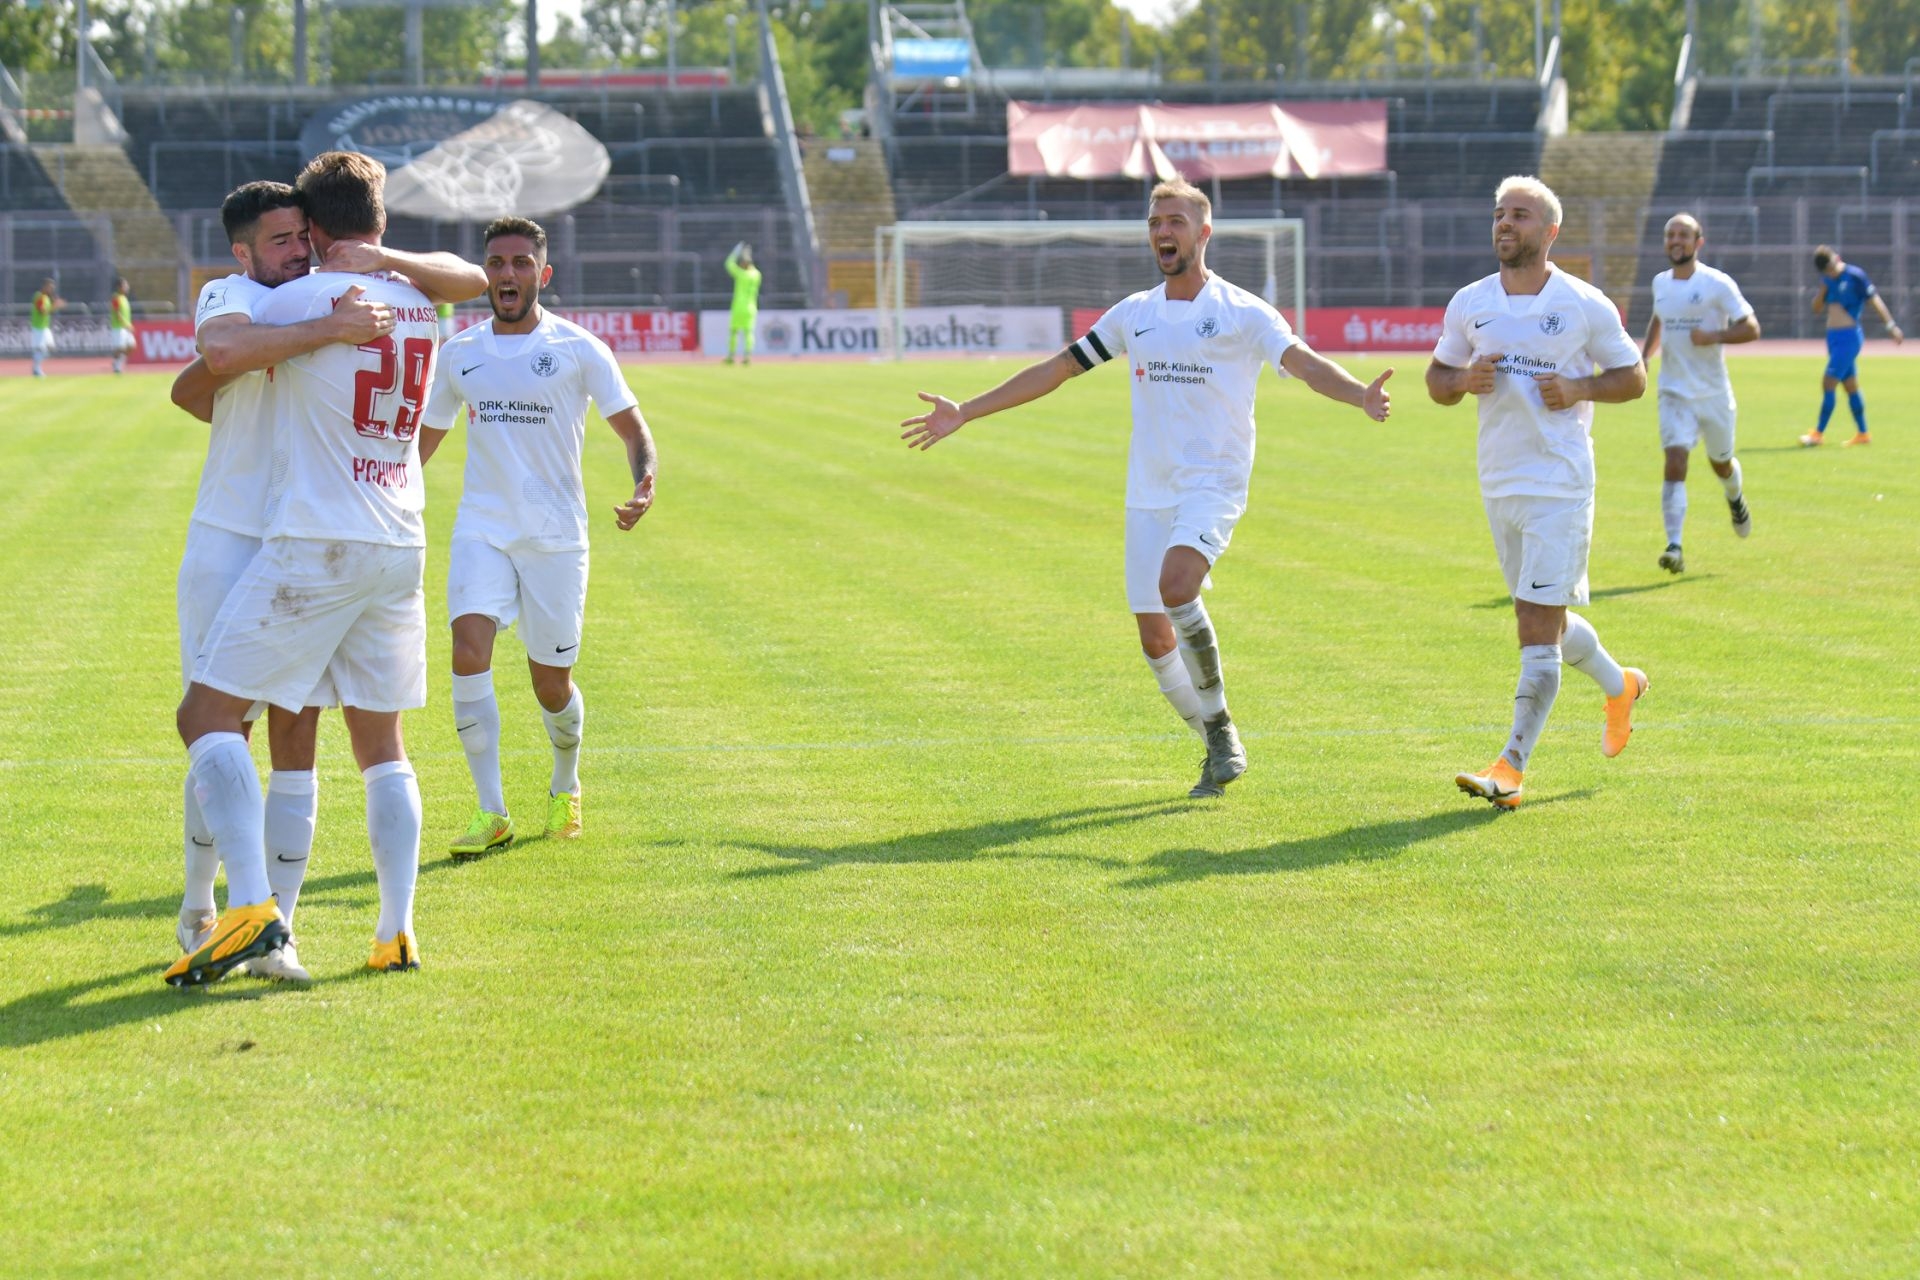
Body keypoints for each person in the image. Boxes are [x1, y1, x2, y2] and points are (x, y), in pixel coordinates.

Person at [900, 178, 1392, 798]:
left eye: (1177, 221)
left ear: (1203, 233)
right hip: (1148, 490)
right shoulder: (1135, 314)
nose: (1164, 231)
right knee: (1154, 636)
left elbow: (1301, 361)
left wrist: (1358, 395)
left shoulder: (1243, 311)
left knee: (1177, 586)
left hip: (1213, 483)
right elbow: (1058, 368)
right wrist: (967, 410)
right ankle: (1219, 734)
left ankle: (1220, 737)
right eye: (1156, 221)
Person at [168, 180, 482, 980]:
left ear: (320, 229)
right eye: (280, 241)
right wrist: (325, 330)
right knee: (232, 732)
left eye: (299, 237)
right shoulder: (246, 295)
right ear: (244, 252)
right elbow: (201, 378)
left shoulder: (315, 294)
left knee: (276, 731)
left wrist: (321, 325)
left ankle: (268, 923)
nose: (295, 252)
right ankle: (206, 904)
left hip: (303, 536)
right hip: (263, 535)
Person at [418, 216, 658, 856]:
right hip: (483, 529)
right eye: (497, 263)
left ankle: (565, 781)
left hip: (555, 536)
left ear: (542, 275)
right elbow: (425, 442)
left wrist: (645, 483)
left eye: (522, 263)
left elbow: (633, 431)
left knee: (550, 685)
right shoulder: (460, 355)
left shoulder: (580, 349)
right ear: (484, 276)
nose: (507, 274)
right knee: (468, 649)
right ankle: (491, 811)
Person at [1427, 175, 1650, 811]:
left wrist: (1580, 390)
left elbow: (1632, 376)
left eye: (1520, 215)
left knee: (1533, 626)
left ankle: (1511, 767)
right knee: (1541, 617)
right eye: (1499, 213)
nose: (1505, 223)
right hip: (1500, 479)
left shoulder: (1583, 304)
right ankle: (1620, 685)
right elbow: (1437, 379)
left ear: (1549, 232)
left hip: (1560, 482)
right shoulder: (1470, 301)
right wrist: (1462, 378)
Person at [1640, 213, 1759, 575]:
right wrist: (1645, 357)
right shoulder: (1660, 282)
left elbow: (1751, 328)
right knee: (1675, 461)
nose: (1676, 240)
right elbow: (1659, 318)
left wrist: (1713, 337)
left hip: (1713, 393)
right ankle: (1674, 545)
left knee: (1721, 463)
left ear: (1698, 243)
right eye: (1670, 235)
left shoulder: (1716, 284)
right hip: (1673, 391)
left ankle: (1734, 497)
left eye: (1684, 235)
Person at [1799, 245, 1902, 447]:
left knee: (1828, 382)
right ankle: (1863, 434)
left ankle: (1817, 434)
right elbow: (1816, 309)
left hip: (1849, 338)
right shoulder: (1827, 280)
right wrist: (1822, 290)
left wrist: (1891, 326)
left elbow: (1875, 301)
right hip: (1833, 338)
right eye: (1826, 271)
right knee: (1850, 386)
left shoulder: (1855, 276)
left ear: (1837, 258)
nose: (1831, 272)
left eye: (1831, 267)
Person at [724, 242, 760, 365]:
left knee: (734, 332)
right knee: (749, 333)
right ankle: (747, 356)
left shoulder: (741, 274)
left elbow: (728, 263)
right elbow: (752, 268)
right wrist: (748, 256)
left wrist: (737, 251)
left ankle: (731, 356)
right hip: (751, 308)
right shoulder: (756, 275)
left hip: (738, 307)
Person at [29, 277, 61, 377]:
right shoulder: (39, 296)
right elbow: (42, 311)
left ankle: (36, 366)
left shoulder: (46, 297)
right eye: (50, 287)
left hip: (44, 327)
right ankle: (36, 369)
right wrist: (54, 307)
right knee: (41, 349)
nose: (51, 289)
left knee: (50, 347)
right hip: (39, 327)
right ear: (45, 286)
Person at [108, 277, 135, 374]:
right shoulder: (116, 298)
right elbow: (118, 313)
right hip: (119, 327)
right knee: (120, 347)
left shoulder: (124, 298)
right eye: (125, 285)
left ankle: (117, 362)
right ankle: (116, 365)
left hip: (126, 327)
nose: (127, 287)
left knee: (131, 346)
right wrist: (126, 324)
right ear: (119, 287)